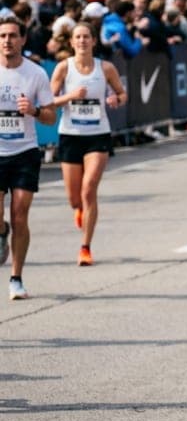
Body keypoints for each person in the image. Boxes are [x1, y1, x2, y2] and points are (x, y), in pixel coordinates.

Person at [49, 23, 127, 266]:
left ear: (94, 41)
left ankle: (85, 247)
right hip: (70, 135)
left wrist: (116, 98)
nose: (82, 41)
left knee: (89, 188)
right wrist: (71, 96)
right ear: (71, 43)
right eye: (78, 37)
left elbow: (123, 94)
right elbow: (49, 101)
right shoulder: (64, 68)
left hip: (97, 134)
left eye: (86, 37)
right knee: (74, 198)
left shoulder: (106, 68)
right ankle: (79, 209)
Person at [0, 15, 56, 300]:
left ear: (22, 39)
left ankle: (16, 278)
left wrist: (33, 111)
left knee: (20, 216)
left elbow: (50, 116)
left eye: (12, 35)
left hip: (24, 152)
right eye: (2, 36)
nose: (7, 41)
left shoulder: (36, 73)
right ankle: (1, 233)